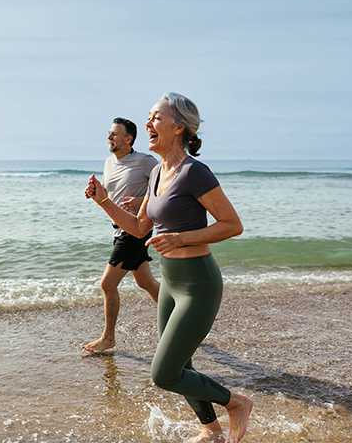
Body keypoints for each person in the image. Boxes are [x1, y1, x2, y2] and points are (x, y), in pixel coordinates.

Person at [85, 94, 253, 443]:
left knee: (164, 374)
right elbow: (138, 227)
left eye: (155, 118)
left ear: (178, 127)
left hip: (198, 285)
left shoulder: (195, 173)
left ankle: (236, 404)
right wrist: (103, 201)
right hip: (172, 284)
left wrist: (181, 239)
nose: (147, 124)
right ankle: (211, 430)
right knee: (182, 366)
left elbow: (232, 224)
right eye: (148, 118)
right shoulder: (157, 173)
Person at [82, 117, 160, 355]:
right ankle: (179, 315)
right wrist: (95, 193)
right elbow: (110, 197)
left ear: (129, 139)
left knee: (107, 284)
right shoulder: (109, 163)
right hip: (118, 228)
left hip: (136, 229)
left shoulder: (146, 162)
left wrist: (141, 201)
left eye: (115, 134)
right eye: (109, 133)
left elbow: (164, 187)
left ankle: (108, 338)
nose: (110, 137)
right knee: (144, 281)